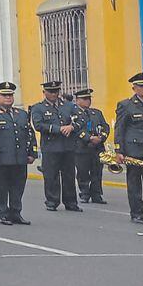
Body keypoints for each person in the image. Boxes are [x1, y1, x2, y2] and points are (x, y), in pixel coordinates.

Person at [0, 82, 37, 225]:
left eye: (10, 95)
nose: (8, 98)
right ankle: (2, 213)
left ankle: (16, 213)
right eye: (4, 95)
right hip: (1, 159)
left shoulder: (21, 114)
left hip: (19, 158)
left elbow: (30, 134)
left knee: (18, 187)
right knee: (1, 188)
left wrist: (32, 153)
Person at [31, 81, 81, 212]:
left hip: (68, 146)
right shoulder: (38, 108)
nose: (54, 94)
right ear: (44, 92)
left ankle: (71, 202)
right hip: (51, 146)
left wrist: (72, 127)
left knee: (69, 175)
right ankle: (52, 201)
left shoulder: (69, 106)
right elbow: (38, 125)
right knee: (51, 175)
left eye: (56, 91)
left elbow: (80, 120)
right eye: (51, 92)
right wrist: (58, 129)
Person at [113, 73, 143, 224]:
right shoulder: (126, 105)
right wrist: (119, 150)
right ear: (134, 88)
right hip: (134, 151)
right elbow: (120, 128)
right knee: (135, 184)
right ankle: (137, 213)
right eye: (141, 86)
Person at [72, 88, 109, 204]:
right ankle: (84, 193)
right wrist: (89, 138)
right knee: (83, 172)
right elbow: (75, 129)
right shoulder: (73, 113)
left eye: (89, 99)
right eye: (84, 99)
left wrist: (101, 137)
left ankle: (96, 194)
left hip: (97, 148)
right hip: (82, 147)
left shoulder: (96, 113)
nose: (88, 101)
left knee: (97, 172)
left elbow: (105, 126)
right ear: (77, 100)